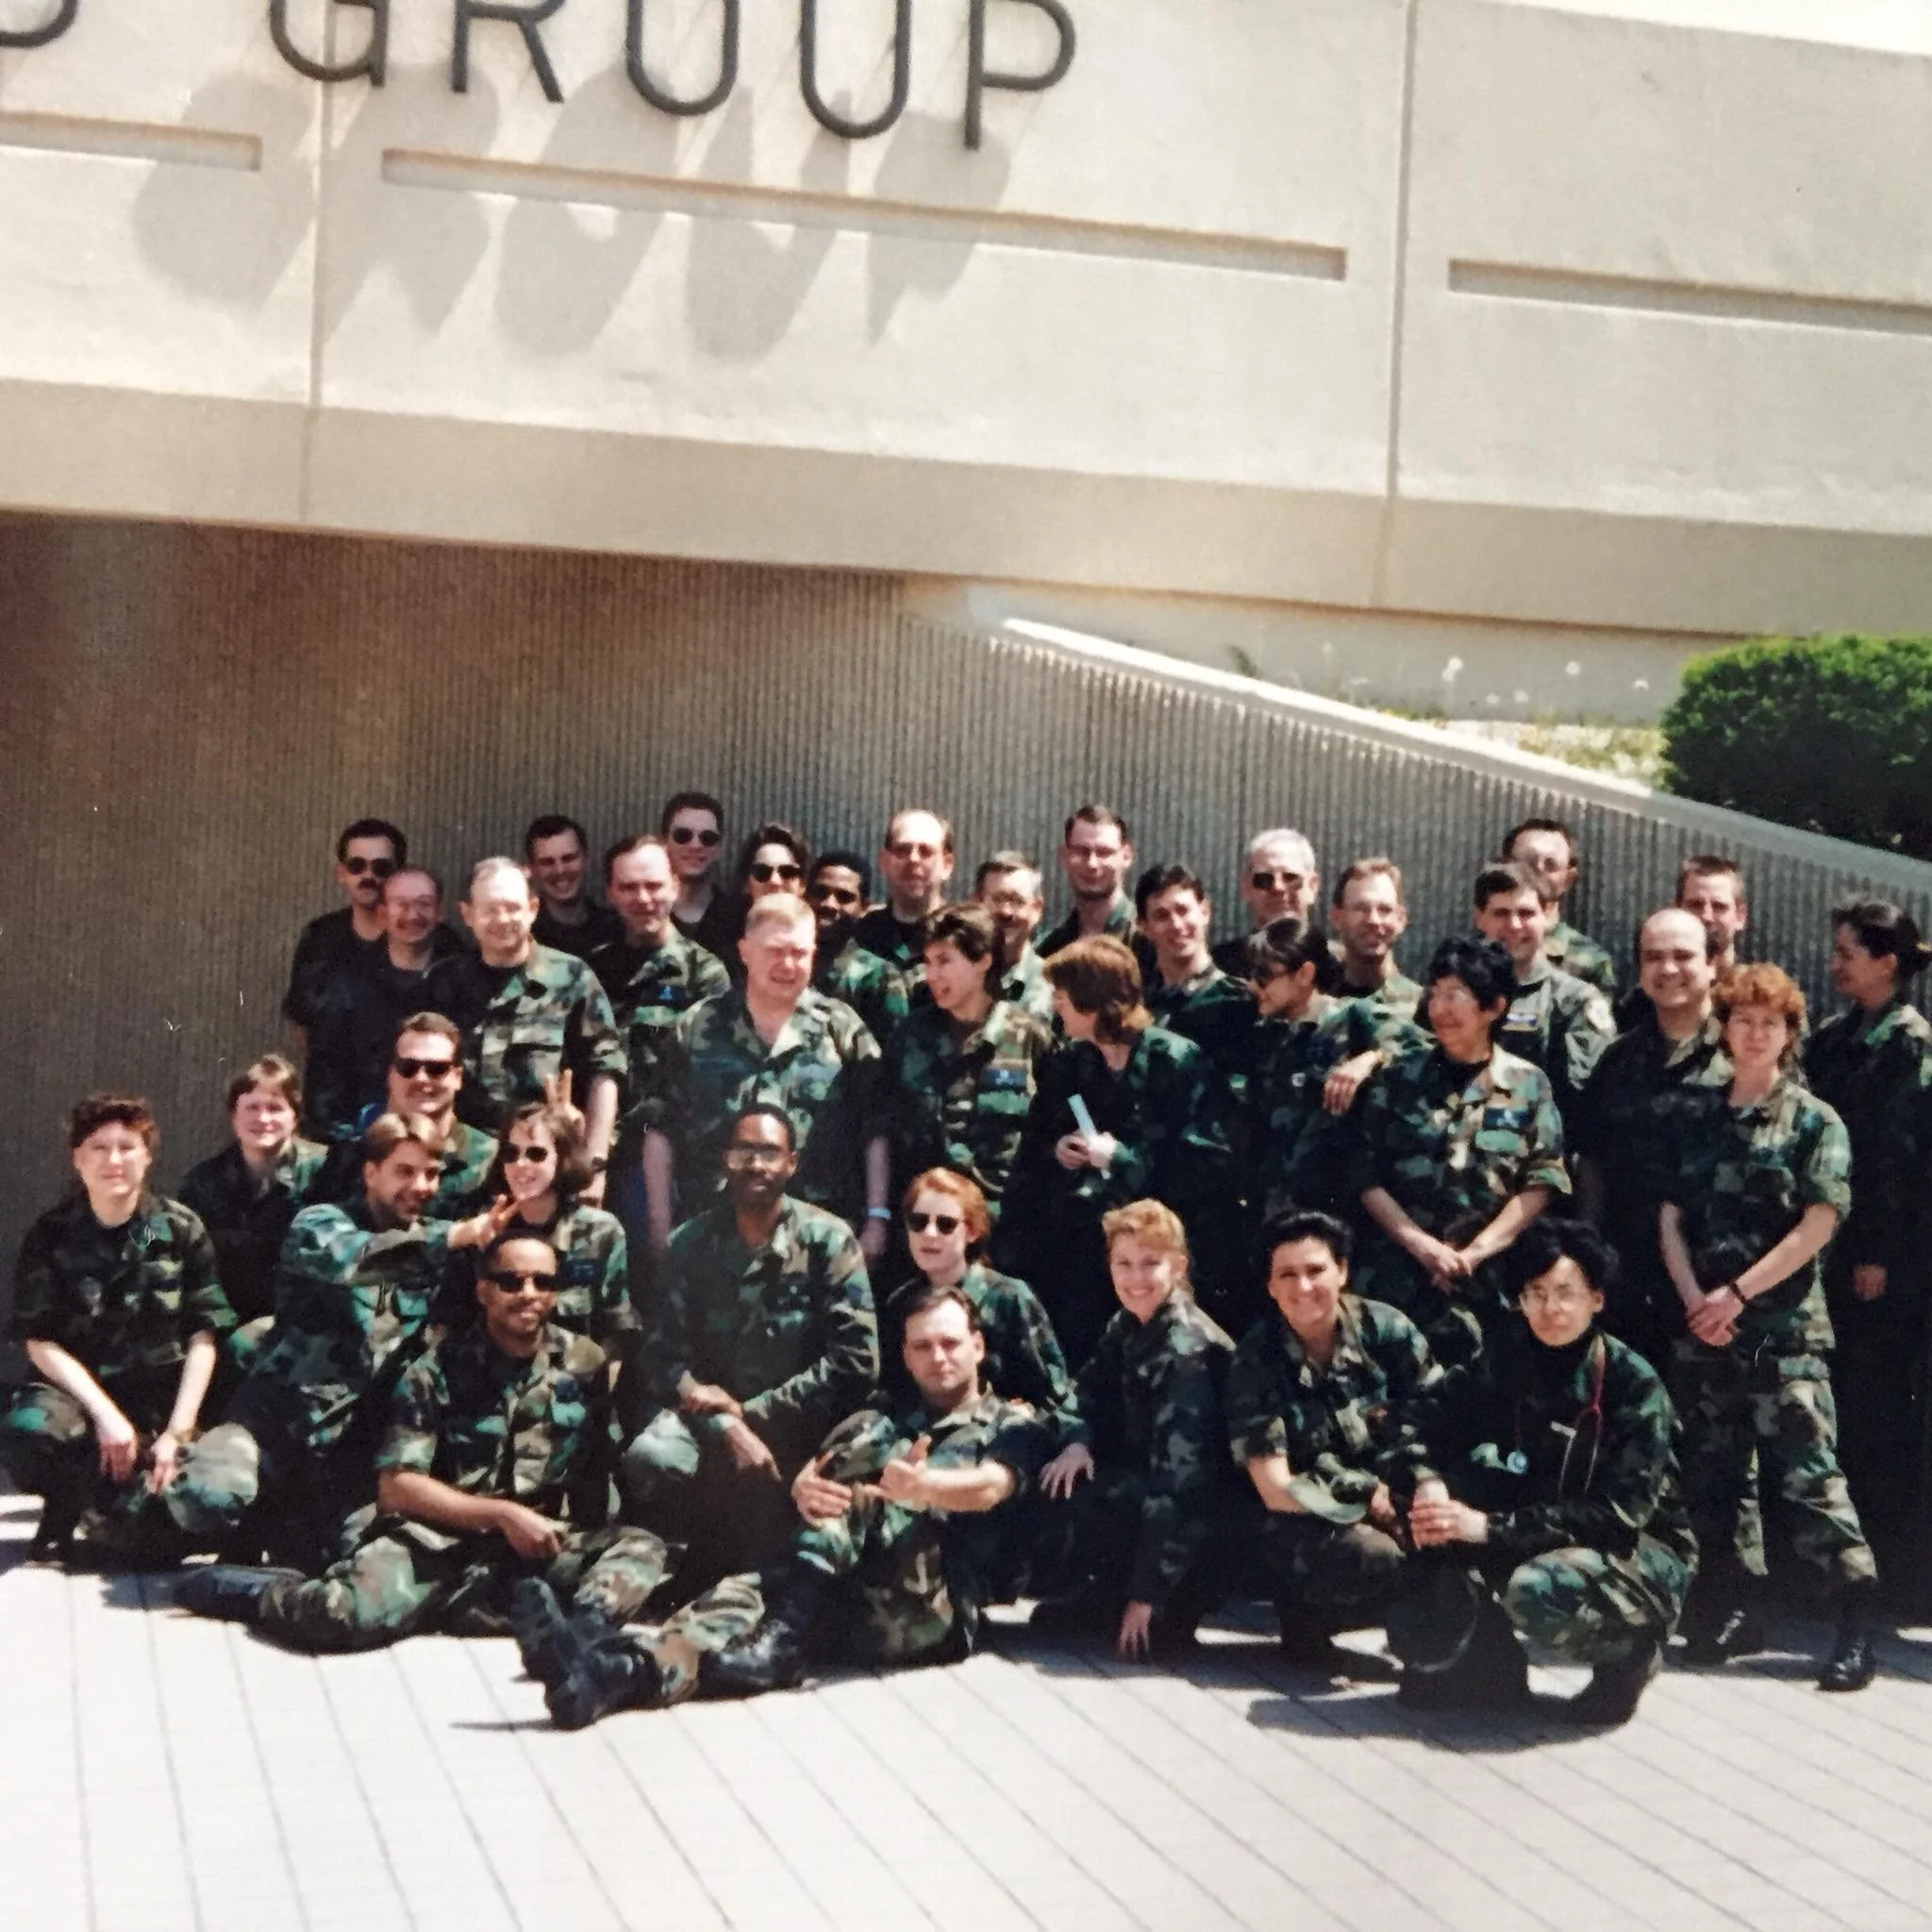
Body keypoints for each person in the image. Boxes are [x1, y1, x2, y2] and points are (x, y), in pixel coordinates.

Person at [518, 1279, 1050, 1726]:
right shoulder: (883, 1418)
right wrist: (802, 1487)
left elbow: (990, 1487)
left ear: (978, 1345)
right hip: (836, 1591)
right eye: (922, 1347)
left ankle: (781, 1640)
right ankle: (598, 1677)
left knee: (858, 1505)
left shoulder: (1012, 1423)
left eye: (951, 1344)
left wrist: (922, 1488)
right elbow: (821, 1474)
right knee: (738, 1605)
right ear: (906, 1356)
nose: (939, 1358)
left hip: (933, 1607)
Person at [175, 1231, 672, 1653]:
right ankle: (251, 1590)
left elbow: (594, 1469)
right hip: (440, 1541)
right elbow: (398, 1487)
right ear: (482, 1291)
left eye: (543, 1282)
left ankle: (576, 1641)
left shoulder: (582, 1363)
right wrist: (500, 1515)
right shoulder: (436, 1369)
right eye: (510, 1281)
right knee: (340, 1617)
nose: (528, 1293)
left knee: (641, 1549)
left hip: (529, 1548)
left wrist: (578, 1536)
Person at [1658, 963, 1879, 1690]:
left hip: (1783, 1335)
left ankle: (1855, 1624)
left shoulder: (1816, 1122)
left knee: (1809, 1480)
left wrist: (1737, 1296)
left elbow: (1820, 1223)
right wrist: (1697, 1298)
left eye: (1771, 1023)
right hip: (1706, 1329)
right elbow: (1670, 1218)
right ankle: (1732, 1609)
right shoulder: (1695, 1115)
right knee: (1716, 1482)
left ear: (1789, 1035)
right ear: (1724, 1028)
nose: (1755, 1034)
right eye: (1743, 1020)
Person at [1382, 1219, 1695, 1725]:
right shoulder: (1504, 1359)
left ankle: (1627, 1658)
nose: (1552, 1309)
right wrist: (1427, 1484)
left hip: (1635, 1552)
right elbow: (1413, 1420)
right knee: (1426, 1656)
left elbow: (1619, 1516)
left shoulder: (1631, 1386)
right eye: (1537, 1293)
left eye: (1567, 1293)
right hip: (1530, 1525)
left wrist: (1488, 1528)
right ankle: (1491, 1665)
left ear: (1596, 1299)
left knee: (1539, 1589)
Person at [173, 1113, 513, 1568]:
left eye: (431, 1174)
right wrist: (455, 1235)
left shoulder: (437, 1247)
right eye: (405, 1171)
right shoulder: (320, 1224)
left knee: (352, 1555)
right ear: (370, 1172)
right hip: (271, 1432)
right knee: (205, 1500)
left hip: (343, 1455)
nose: (421, 1186)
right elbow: (357, 1260)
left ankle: (266, 1544)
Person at [623, 1107, 878, 1576]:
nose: (756, 1165)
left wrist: (753, 1413)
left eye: (768, 1153)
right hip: (714, 1431)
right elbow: (660, 1355)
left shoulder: (829, 1241)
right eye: (744, 1151)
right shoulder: (690, 1243)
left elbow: (856, 1360)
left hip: (805, 1428)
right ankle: (698, 1551)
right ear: (725, 1160)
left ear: (792, 1163)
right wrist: (725, 1423)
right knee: (651, 1457)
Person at [2, 1095, 235, 1566]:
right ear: (77, 1159)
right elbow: (39, 1338)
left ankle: (114, 1509)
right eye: (98, 1148)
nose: (114, 1160)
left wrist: (178, 1432)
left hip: (158, 1409)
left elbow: (204, 1334)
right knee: (30, 1432)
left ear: (147, 1156)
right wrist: (106, 1416)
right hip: (81, 1404)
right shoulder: (53, 1235)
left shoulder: (174, 1229)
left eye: (127, 1147)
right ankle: (66, 1504)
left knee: (159, 1539)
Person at [996, 935, 1239, 1362]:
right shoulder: (1071, 1063)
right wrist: (1060, 1151)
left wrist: (1123, 1160)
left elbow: (1210, 1163)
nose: (1056, 1007)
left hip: (1163, 1259)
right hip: (1087, 1260)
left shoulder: (1175, 1061)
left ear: (1092, 1000)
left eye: (1063, 997)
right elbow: (1033, 1145)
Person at [1030, 1201, 1241, 1659]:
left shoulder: (1187, 1351)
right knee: (1066, 1474)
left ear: (1178, 1266)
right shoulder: (1129, 1324)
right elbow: (1079, 1393)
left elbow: (1181, 1487)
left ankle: (1166, 1605)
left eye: (1151, 1263)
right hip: (1156, 1495)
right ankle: (1106, 1594)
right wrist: (1077, 1440)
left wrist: (1148, 1597)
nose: (1135, 1278)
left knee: (1148, 1641)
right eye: (1123, 1264)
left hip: (1207, 1519)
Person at [1226, 1211, 1436, 1664]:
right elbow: (1276, 1490)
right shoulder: (1257, 1361)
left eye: (1316, 1270)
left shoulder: (1388, 1332)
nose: (1303, 1288)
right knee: (1379, 1557)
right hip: (1303, 1524)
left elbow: (1441, 1425)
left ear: (1342, 1270)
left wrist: (1421, 1498)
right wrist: (1365, 1495)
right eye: (1287, 1275)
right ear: (1270, 1286)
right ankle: (1309, 1616)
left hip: (1399, 1502)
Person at [1352, 935, 1570, 1366]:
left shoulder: (1528, 1085)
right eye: (1436, 994)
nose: (1441, 1008)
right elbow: (1365, 1176)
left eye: (1457, 996)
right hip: (1397, 1280)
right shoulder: (1397, 1078)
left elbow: (1542, 1181)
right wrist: (1423, 1247)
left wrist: (1474, 1254)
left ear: (1493, 1007)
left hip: (1490, 1286)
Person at [637, 893, 889, 1256]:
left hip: (818, 1244)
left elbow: (876, 1129)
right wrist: (660, 1223)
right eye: (775, 951)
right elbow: (659, 1129)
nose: (788, 964)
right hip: (712, 1242)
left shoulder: (842, 1029)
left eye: (800, 953)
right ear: (744, 952)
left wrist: (877, 1219)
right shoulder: (697, 1026)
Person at [1803, 901, 1932, 1580]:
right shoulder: (1834, 1037)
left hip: (1876, 1259)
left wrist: (1877, 1252)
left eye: (1849, 953)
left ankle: (1884, 1564)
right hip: (1826, 1247)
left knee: (1878, 1406)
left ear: (1887, 962)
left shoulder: (1911, 1045)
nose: (1835, 965)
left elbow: (1900, 1158)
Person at [1572, 908, 1726, 1368]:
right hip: (1629, 1280)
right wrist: (1590, 1243)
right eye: (1654, 957)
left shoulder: (1747, 1054)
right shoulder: (1619, 1060)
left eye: (1683, 955)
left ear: (1713, 964)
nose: (1669, 969)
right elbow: (1592, 1159)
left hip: (1713, 1286)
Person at [424, 857, 625, 1199]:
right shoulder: (442, 984)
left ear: (533, 909)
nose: (503, 920)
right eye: (490, 910)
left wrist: (593, 1165)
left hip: (543, 1167)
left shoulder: (572, 978)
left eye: (513, 908)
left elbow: (604, 1072)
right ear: (467, 915)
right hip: (459, 1171)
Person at [588, 833, 730, 1301]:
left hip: (670, 1159)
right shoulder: (593, 971)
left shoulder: (704, 973)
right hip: (597, 1157)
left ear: (674, 886)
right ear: (610, 893)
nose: (643, 899)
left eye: (653, 885)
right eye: (628, 888)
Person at [877, 904, 1053, 1227]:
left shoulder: (1029, 1037)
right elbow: (881, 1130)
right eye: (928, 962)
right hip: (924, 1231)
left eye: (944, 961)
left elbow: (1061, 1124)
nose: (931, 975)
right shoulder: (909, 1037)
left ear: (983, 961)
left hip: (1006, 1231)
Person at [876, 1169, 1075, 1441]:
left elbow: (1055, 1396)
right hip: (919, 1442)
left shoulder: (1009, 1298)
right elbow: (894, 1390)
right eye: (918, 1222)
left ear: (972, 1231)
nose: (930, 1234)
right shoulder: (902, 1303)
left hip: (996, 1444)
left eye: (945, 1224)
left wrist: (1023, 1419)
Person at [175, 1056, 328, 1380]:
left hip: (305, 1321)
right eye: (252, 1107)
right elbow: (180, 1251)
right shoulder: (204, 1182)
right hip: (226, 1320)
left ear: (295, 1116)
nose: (263, 1119)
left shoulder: (327, 1172)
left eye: (275, 1108)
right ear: (234, 1116)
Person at [294, 859, 460, 1143]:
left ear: (439, 912)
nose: (413, 915)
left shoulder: (462, 981)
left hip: (448, 1144)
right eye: (402, 905)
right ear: (382, 914)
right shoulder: (344, 987)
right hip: (366, 1142)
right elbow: (326, 1084)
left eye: (424, 904)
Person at [468, 1101, 639, 1362]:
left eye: (536, 1154)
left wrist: (585, 1375)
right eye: (511, 1154)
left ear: (563, 1158)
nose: (521, 1165)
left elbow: (616, 1326)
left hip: (570, 1387)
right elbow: (454, 1318)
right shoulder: (484, 1226)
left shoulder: (600, 1231)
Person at [1468, 860, 1614, 1130]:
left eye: (1526, 913)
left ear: (1546, 917)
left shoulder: (1575, 1001)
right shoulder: (1454, 993)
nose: (1514, 925)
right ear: (1480, 918)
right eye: (1501, 913)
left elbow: (1585, 1093)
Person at [315, 1013, 501, 1219]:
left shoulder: (492, 1159)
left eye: (436, 1069)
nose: (421, 1078)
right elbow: (317, 1235)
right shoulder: (349, 1157)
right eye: (408, 1068)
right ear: (390, 1075)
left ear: (457, 1077)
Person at [282, 817, 407, 1058]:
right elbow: (302, 1021)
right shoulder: (319, 937)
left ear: (399, 873)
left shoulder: (435, 940)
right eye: (356, 865)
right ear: (341, 873)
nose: (368, 876)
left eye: (381, 867)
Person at [1136, 863, 1257, 1096]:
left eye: (1183, 910)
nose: (1177, 925)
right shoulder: (1140, 1011)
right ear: (1144, 927)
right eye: (1161, 916)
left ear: (1205, 912)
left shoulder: (1242, 1001)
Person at [1503, 817, 1620, 996]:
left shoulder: (1591, 962)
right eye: (1528, 861)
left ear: (1568, 879)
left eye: (1551, 865)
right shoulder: (1474, 951)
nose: (1538, 870)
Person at [808, 850, 909, 1044]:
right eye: (820, 892)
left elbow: (894, 1057)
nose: (829, 904)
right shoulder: (783, 962)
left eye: (844, 897)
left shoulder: (879, 978)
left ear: (864, 907)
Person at [1041, 806, 1154, 978]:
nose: (1092, 864)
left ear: (1126, 856)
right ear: (1064, 856)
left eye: (1104, 853)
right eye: (1081, 851)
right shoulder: (1049, 948)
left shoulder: (1150, 941)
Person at [849, 808, 957, 982]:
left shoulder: (965, 935)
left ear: (947, 865)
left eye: (926, 851)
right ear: (884, 862)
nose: (913, 859)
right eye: (902, 850)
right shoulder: (859, 935)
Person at [1210, 827, 1321, 975]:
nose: (1278, 887)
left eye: (1290, 877)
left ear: (1312, 886)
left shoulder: (1338, 967)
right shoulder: (1220, 967)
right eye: (1264, 879)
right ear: (1246, 887)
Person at [1326, 857, 1422, 1019]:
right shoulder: (1312, 1003)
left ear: (1401, 919)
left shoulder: (1422, 1008)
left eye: (1384, 909)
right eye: (1361, 909)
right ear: (1336, 917)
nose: (1373, 920)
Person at [973, 850, 1056, 1026]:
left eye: (1017, 901)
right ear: (976, 903)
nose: (1006, 912)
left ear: (1036, 909)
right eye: (997, 899)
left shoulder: (1054, 987)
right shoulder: (953, 976)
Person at [525, 813, 622, 961]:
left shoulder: (617, 930)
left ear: (585, 858)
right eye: (547, 862)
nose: (560, 870)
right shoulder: (524, 936)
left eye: (568, 858)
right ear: (532, 869)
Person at [662, 791, 739, 961]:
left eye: (708, 838)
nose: (695, 845)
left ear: (719, 848)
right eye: (683, 836)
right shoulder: (646, 915)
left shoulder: (740, 921)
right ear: (664, 842)